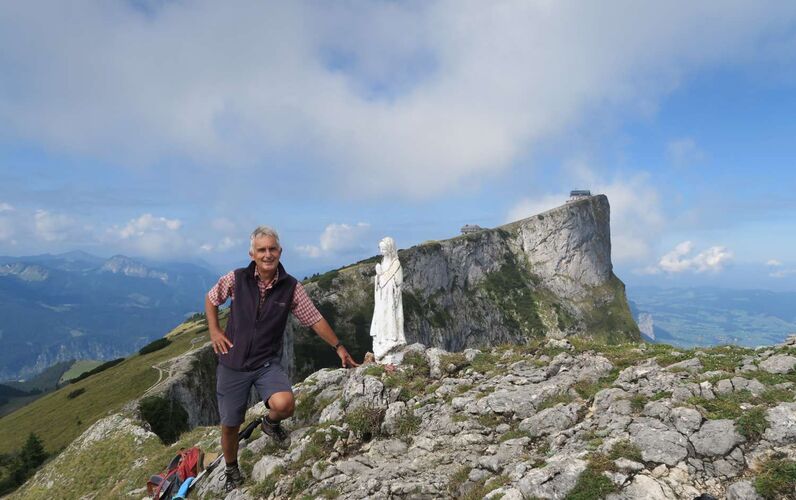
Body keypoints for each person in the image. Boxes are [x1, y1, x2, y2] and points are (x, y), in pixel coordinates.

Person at [205, 226, 359, 492]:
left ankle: (270, 423)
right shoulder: (236, 278)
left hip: (265, 363)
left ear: (280, 251)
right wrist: (215, 330)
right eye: (261, 250)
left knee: (285, 404)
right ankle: (231, 469)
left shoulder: (291, 287)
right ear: (252, 254)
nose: (267, 254)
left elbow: (314, 319)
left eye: (272, 249)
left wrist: (339, 347)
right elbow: (211, 299)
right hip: (232, 363)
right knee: (230, 425)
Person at [369, 236, 406, 361]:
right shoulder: (383, 261)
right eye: (380, 249)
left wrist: (382, 275)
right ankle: (383, 338)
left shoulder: (396, 263)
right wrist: (378, 275)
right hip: (382, 296)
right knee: (381, 316)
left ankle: (391, 338)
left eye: (384, 249)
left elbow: (399, 281)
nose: (381, 251)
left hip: (390, 296)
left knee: (390, 315)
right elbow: (379, 280)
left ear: (390, 249)